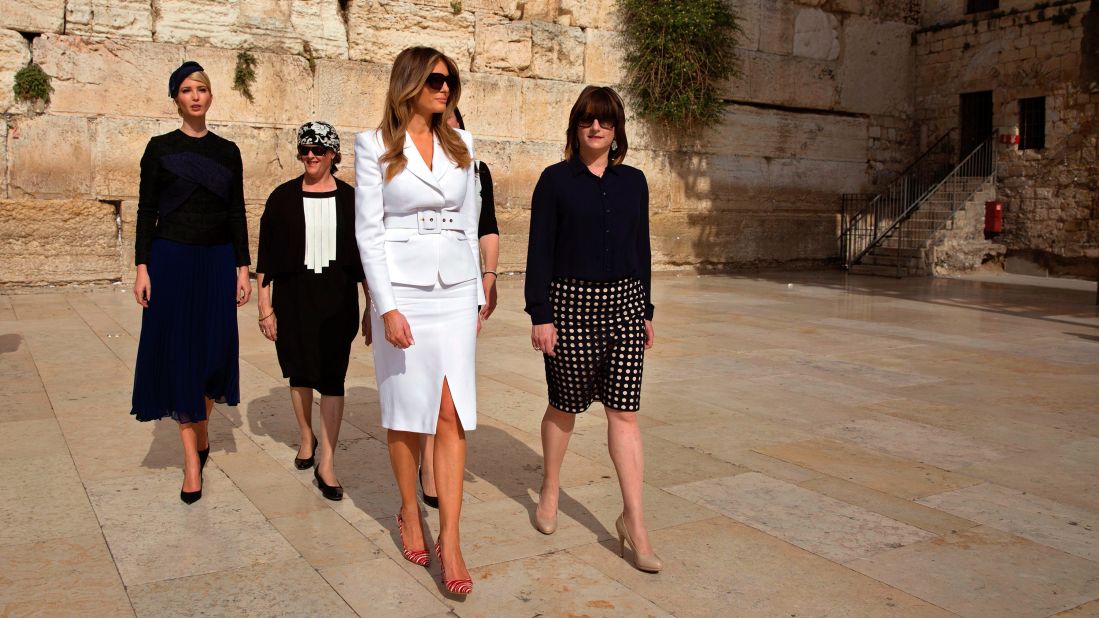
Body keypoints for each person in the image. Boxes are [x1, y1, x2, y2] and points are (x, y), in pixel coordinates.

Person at [354, 46, 483, 595]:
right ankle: (410, 509)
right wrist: (385, 306)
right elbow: (369, 231)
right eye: (436, 79)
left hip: (453, 291)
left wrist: (477, 292)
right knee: (408, 414)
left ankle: (450, 539)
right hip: (404, 291)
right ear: (410, 82)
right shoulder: (373, 146)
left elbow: (470, 221)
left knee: (451, 412)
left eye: (451, 81)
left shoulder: (464, 145)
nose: (445, 89)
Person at [524, 85, 662, 573]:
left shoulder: (634, 182)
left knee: (624, 412)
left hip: (625, 303)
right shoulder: (554, 181)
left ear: (617, 129)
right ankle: (550, 486)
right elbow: (539, 249)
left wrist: (644, 308)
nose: (596, 127)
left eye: (605, 120)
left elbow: (640, 248)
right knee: (565, 406)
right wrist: (540, 313)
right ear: (575, 127)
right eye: (587, 120)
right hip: (570, 305)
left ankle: (636, 522)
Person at [131, 61, 251, 504]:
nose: (195, 96)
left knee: (214, 354)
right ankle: (190, 464)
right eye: (186, 90)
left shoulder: (228, 151)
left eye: (202, 88)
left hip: (217, 261)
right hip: (172, 260)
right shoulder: (159, 148)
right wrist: (143, 267)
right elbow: (147, 211)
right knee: (181, 353)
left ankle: (201, 430)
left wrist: (243, 267)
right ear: (176, 98)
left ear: (211, 96)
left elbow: (236, 211)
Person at [255, 122, 367, 501]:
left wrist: (372, 307)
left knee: (333, 376)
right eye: (305, 148)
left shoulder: (352, 199)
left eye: (319, 148)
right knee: (299, 371)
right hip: (293, 297)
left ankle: (329, 461)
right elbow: (266, 256)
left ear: (333, 153)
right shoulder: (282, 198)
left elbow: (366, 258)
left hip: (337, 298)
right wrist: (265, 308)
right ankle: (306, 438)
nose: (311, 155)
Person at [419, 107, 500, 509]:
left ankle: (437, 461)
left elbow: (486, 226)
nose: (447, 128)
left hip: (460, 287)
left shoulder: (476, 170)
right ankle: (427, 466)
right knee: (427, 377)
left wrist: (489, 277)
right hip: (419, 286)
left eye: (454, 122)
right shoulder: (412, 164)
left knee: (450, 380)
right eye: (439, 121)